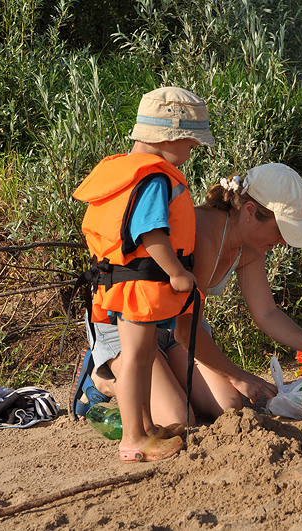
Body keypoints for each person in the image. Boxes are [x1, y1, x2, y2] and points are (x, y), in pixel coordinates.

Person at [72, 163, 302, 433]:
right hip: (130, 324)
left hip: (172, 329)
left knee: (228, 406)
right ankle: (102, 378)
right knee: (178, 419)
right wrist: (237, 374)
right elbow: (186, 331)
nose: (284, 241)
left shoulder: (250, 247)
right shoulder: (201, 233)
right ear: (250, 212)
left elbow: (267, 314)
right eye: (281, 229)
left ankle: (164, 376)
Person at [72, 86, 214, 462]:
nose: (191, 153)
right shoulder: (153, 179)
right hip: (139, 283)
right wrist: (178, 274)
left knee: (144, 352)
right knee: (136, 357)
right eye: (190, 144)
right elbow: (151, 233)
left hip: (124, 281)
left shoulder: (129, 172)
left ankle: (147, 427)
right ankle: (133, 438)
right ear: (168, 137)